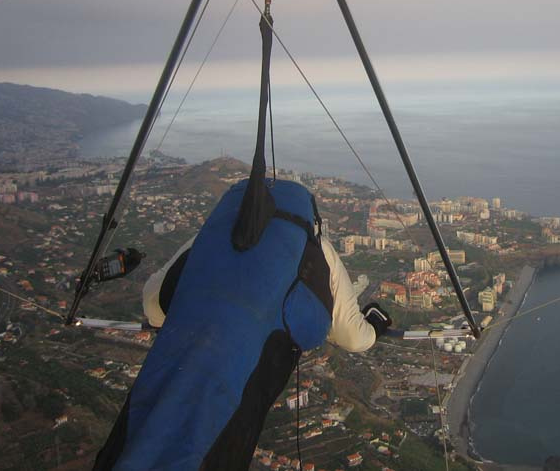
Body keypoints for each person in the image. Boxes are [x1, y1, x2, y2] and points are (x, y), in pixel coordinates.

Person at [94, 178, 392, 470]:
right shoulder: (317, 249)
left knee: (134, 447)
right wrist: (375, 322)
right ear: (312, 219)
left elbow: (153, 306)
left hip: (166, 380)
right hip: (234, 398)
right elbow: (355, 338)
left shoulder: (209, 234)